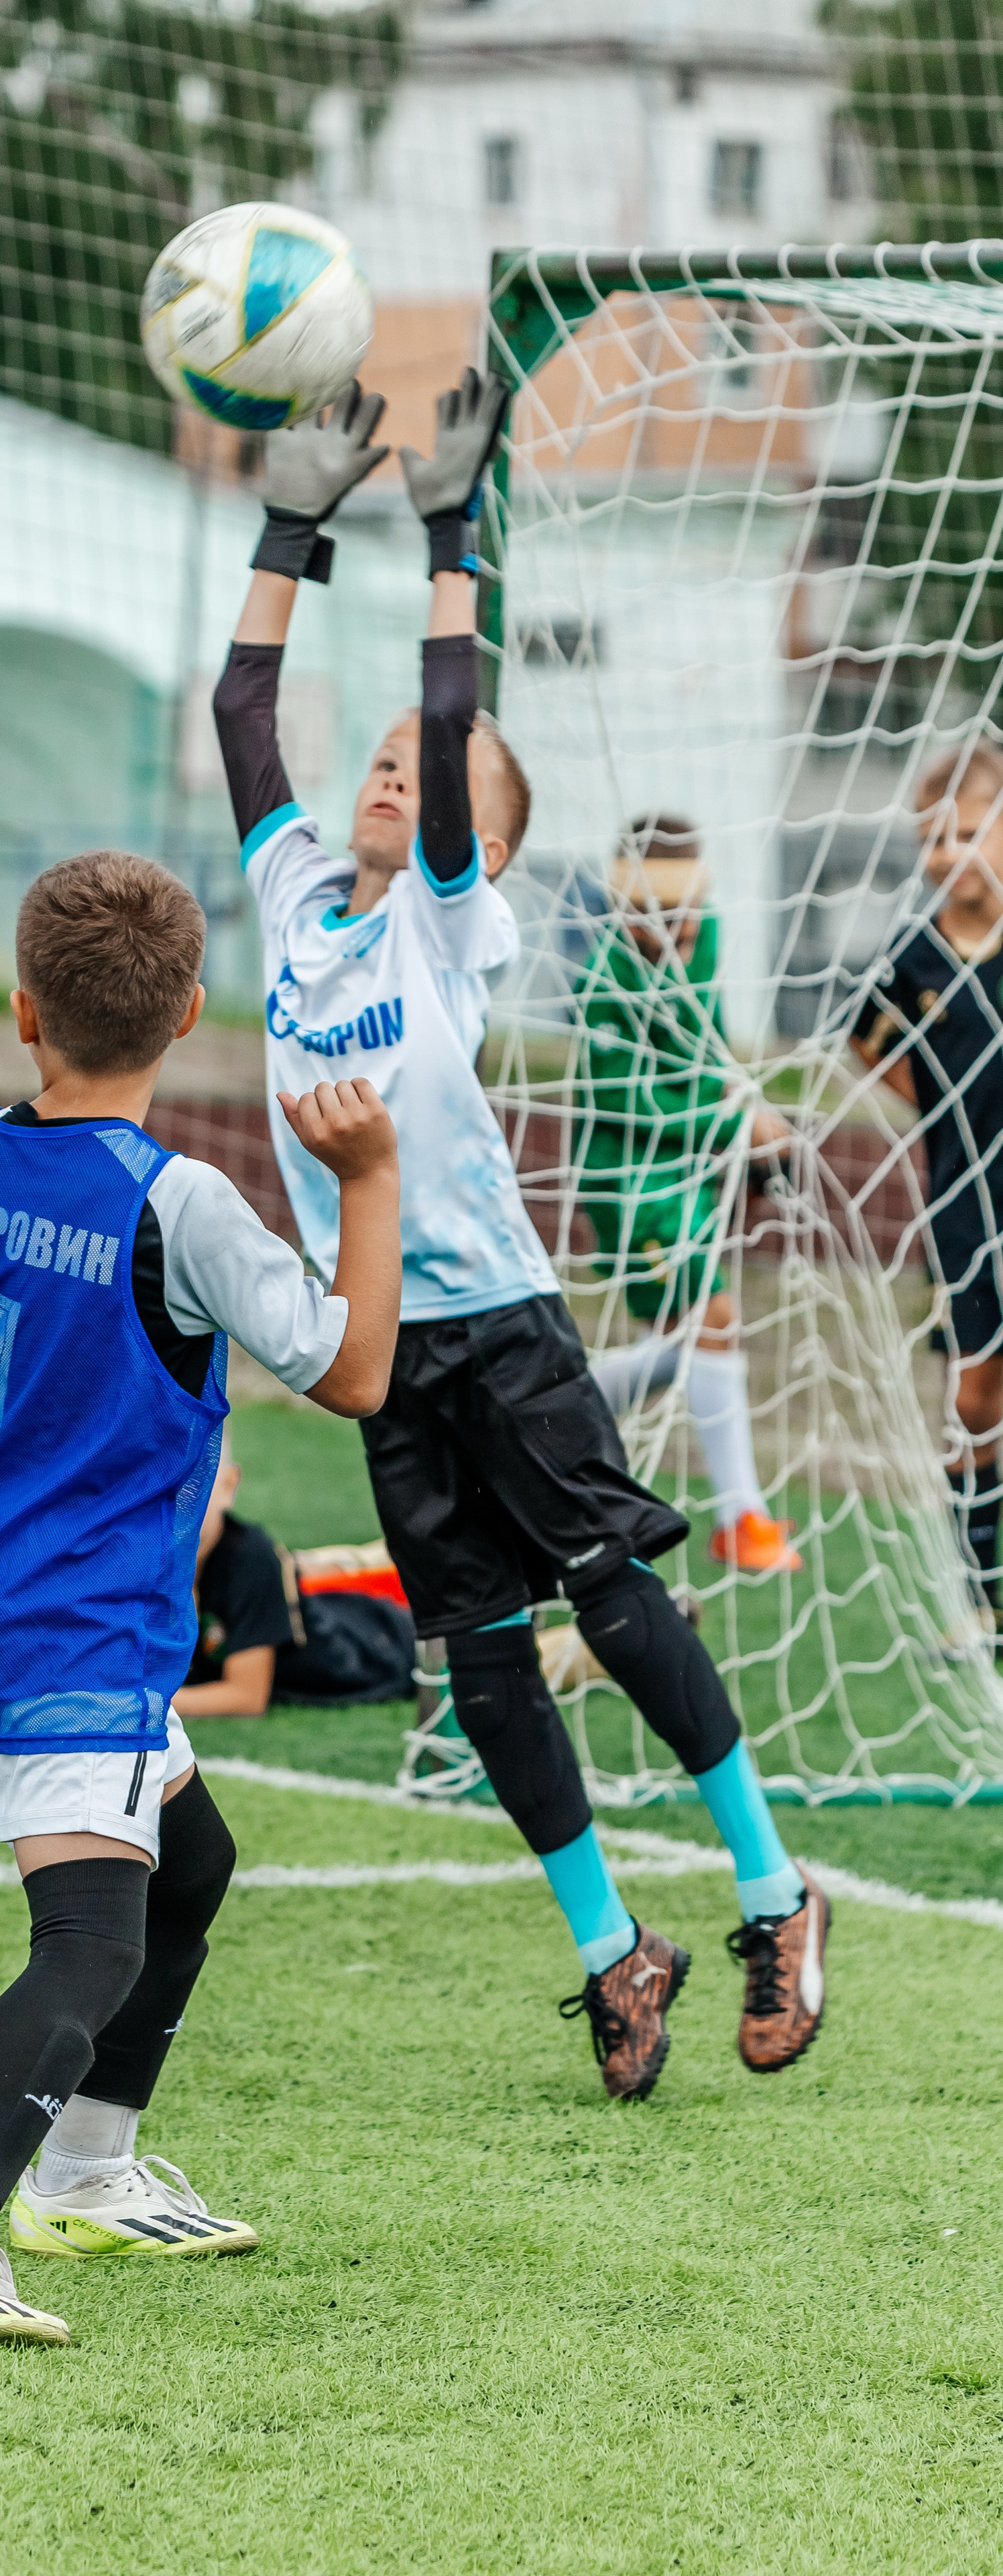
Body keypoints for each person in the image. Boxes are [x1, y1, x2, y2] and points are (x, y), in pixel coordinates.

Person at [215, 371, 829, 2095]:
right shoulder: (289, 898)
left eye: (435, 771)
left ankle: (774, 1894)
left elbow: (443, 684)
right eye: (392, 759)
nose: (397, 766)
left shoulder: (441, 925)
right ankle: (608, 1949)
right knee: (476, 1661)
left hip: (492, 1313)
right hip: (375, 1341)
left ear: (477, 849)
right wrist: (291, 517)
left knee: (607, 1598)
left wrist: (445, 534)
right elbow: (242, 705)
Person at [0, 848, 400, 2343]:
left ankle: (85, 2174)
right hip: (85, 1625)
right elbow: (356, 1372)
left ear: (20, 1014)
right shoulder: (179, 1204)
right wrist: (366, 1179)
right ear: (188, 1013)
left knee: (190, 1864)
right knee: (92, 1942)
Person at [575, 818, 799, 1575]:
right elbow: (629, 1100)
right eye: (663, 910)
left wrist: (743, 1113)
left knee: (700, 1335)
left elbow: (706, 1049)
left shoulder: (702, 943)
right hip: (628, 1180)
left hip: (689, 1170)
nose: (683, 924)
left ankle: (563, 1408)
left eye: (690, 906)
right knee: (713, 1319)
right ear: (624, 904)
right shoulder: (599, 981)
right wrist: (736, 1117)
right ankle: (742, 1517)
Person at [851, 737, 1003, 1626]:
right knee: (973, 1395)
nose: (950, 855)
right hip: (963, 1203)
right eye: (933, 841)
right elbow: (867, 1044)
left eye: (969, 833)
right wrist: (941, 1111)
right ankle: (974, 1591)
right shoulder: (916, 958)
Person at [174, 1436, 416, 1716]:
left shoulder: (249, 1555)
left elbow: (245, 1697)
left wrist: (140, 1706)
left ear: (229, 1484)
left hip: (381, 1650)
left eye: (192, 1486)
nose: (177, 1503)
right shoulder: (139, 1556)